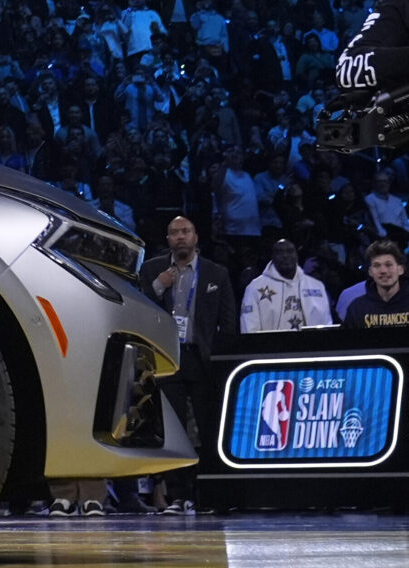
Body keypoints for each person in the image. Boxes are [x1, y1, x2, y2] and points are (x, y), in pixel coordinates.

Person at [137, 214, 238, 515]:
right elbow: (138, 308)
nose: (180, 236)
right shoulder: (152, 269)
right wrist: (158, 286)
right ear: (168, 239)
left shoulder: (216, 273)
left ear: (195, 237)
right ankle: (178, 496)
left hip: (202, 358)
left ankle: (208, 494)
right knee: (174, 429)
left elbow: (228, 321)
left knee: (209, 428)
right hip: (168, 357)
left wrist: (224, 360)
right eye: (174, 232)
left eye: (186, 231)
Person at [239, 238, 334, 332]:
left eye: (290, 251)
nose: (285, 256)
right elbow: (249, 328)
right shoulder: (255, 287)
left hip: (311, 346)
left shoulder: (316, 286)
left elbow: (326, 325)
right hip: (270, 346)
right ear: (272, 256)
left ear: (296, 255)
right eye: (280, 252)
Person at [343, 241, 408, 329]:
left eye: (388, 265)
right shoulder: (357, 308)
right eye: (377, 265)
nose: (383, 271)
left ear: (401, 269)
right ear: (370, 272)